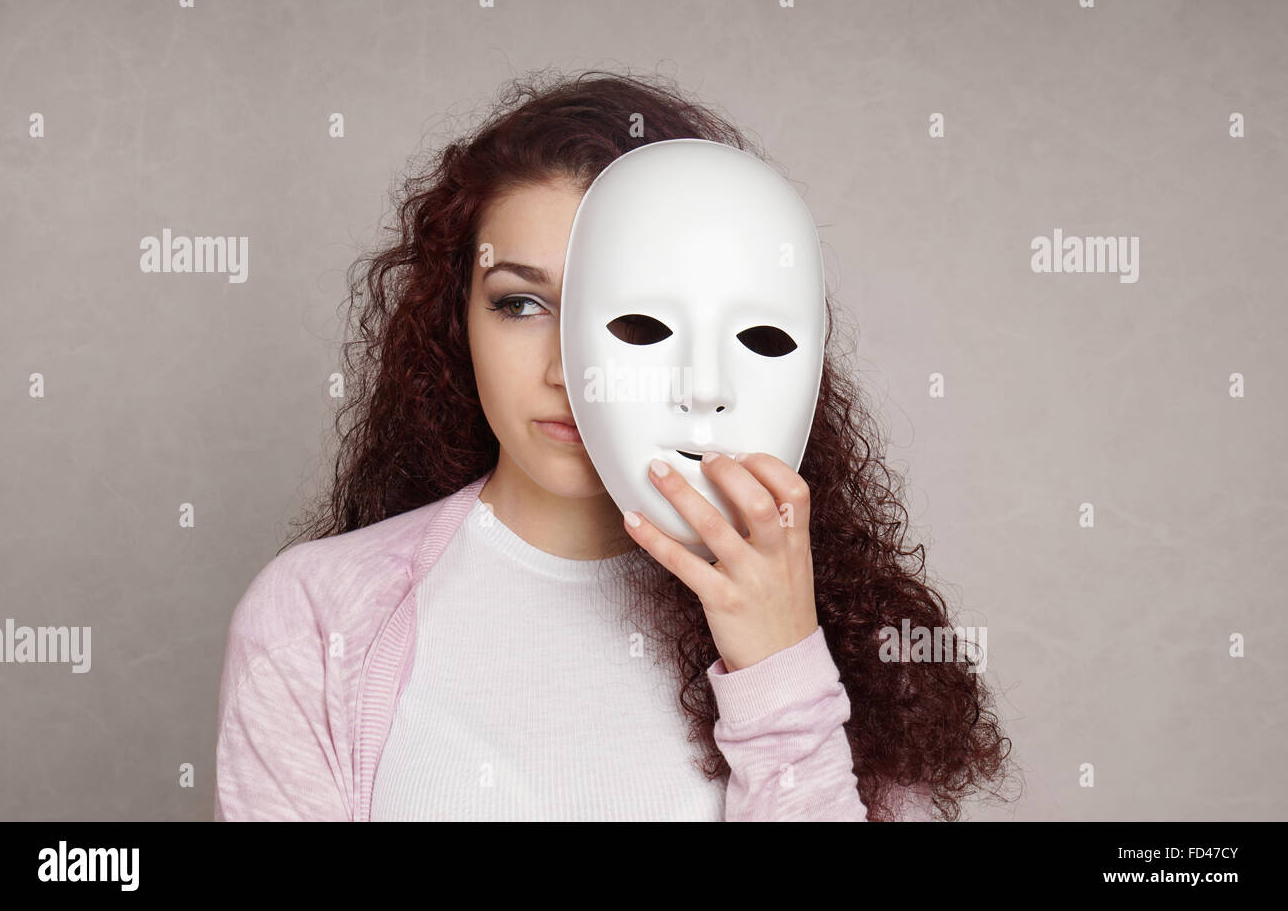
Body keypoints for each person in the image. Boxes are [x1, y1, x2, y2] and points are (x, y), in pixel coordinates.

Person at [214, 68, 1013, 821]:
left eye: (626, 319)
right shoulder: (317, 620)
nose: (570, 371)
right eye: (522, 304)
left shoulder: (845, 641)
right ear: (455, 320)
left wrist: (781, 668)